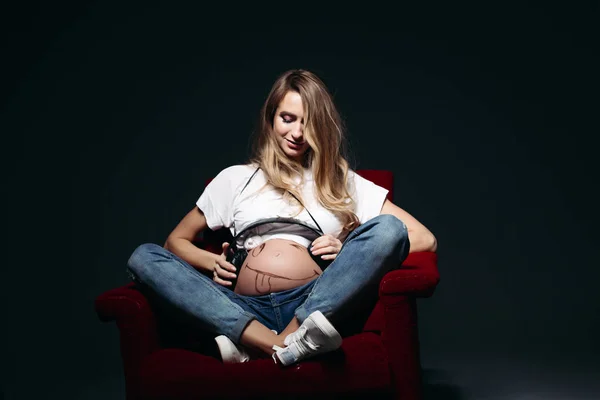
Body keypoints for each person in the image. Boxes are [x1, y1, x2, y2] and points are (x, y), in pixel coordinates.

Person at [126, 69, 437, 366]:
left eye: (309, 123)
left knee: (389, 227)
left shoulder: (339, 180)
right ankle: (285, 345)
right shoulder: (236, 179)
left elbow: (423, 238)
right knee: (143, 257)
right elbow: (174, 241)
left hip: (315, 304)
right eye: (287, 119)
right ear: (270, 118)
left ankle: (267, 343)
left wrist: (346, 252)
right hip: (238, 306)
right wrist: (212, 263)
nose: (297, 133)